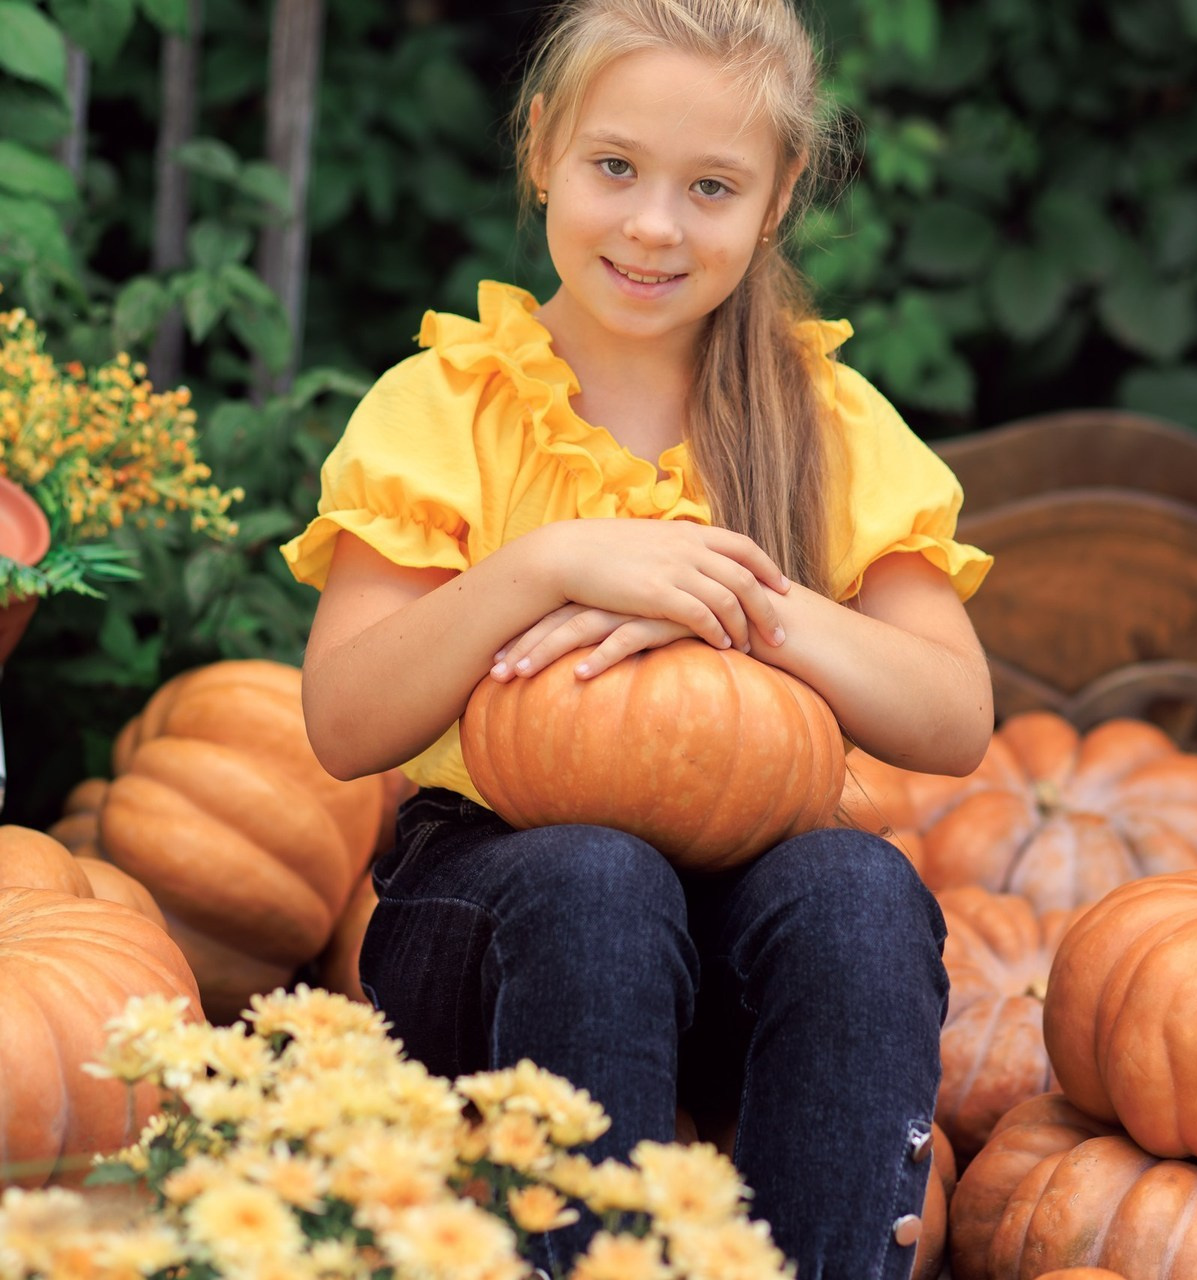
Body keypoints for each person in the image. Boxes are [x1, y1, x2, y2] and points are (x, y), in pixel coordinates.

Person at [282, 0, 993, 1273]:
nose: (654, 225)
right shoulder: (443, 408)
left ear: (774, 201)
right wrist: (546, 562)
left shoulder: (821, 422)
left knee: (859, 889)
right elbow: (343, 725)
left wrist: (739, 598)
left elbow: (951, 718)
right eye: (615, 167)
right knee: (595, 877)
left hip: (746, 936)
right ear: (542, 147)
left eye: (710, 186)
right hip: (494, 923)